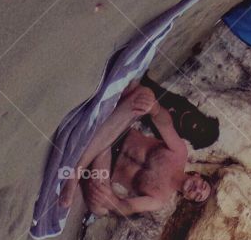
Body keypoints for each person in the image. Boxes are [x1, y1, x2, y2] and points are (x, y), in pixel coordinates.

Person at [60, 81, 213, 216]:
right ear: (198, 175)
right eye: (202, 185)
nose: (197, 189)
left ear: (187, 198)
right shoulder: (180, 153)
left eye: (197, 196)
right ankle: (76, 172)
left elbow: (128, 207)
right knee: (144, 94)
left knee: (100, 209)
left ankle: (90, 154)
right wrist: (155, 109)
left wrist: (112, 200)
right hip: (118, 133)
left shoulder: (159, 199)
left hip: (105, 165)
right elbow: (165, 123)